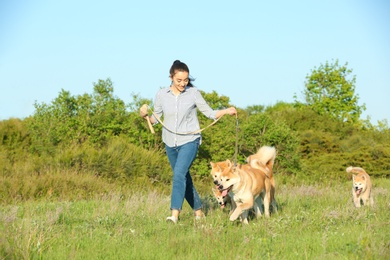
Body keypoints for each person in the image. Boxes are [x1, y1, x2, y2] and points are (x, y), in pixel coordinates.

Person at [140, 60, 237, 224]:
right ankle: (199, 212)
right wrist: (145, 116)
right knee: (183, 177)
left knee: (178, 174)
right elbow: (155, 119)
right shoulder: (161, 95)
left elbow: (209, 113)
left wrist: (227, 111)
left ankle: (174, 214)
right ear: (171, 77)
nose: (183, 83)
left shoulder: (193, 93)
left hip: (190, 141)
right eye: (179, 80)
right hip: (170, 142)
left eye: (185, 80)